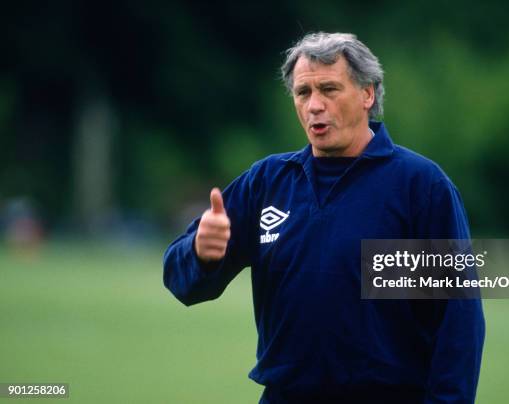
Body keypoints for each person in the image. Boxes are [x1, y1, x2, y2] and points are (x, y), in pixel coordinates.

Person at [163, 32, 485, 403]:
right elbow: (181, 280)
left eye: (329, 89)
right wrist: (201, 253)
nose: (314, 105)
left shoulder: (420, 187)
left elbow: (458, 321)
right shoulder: (267, 182)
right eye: (303, 93)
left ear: (368, 94)